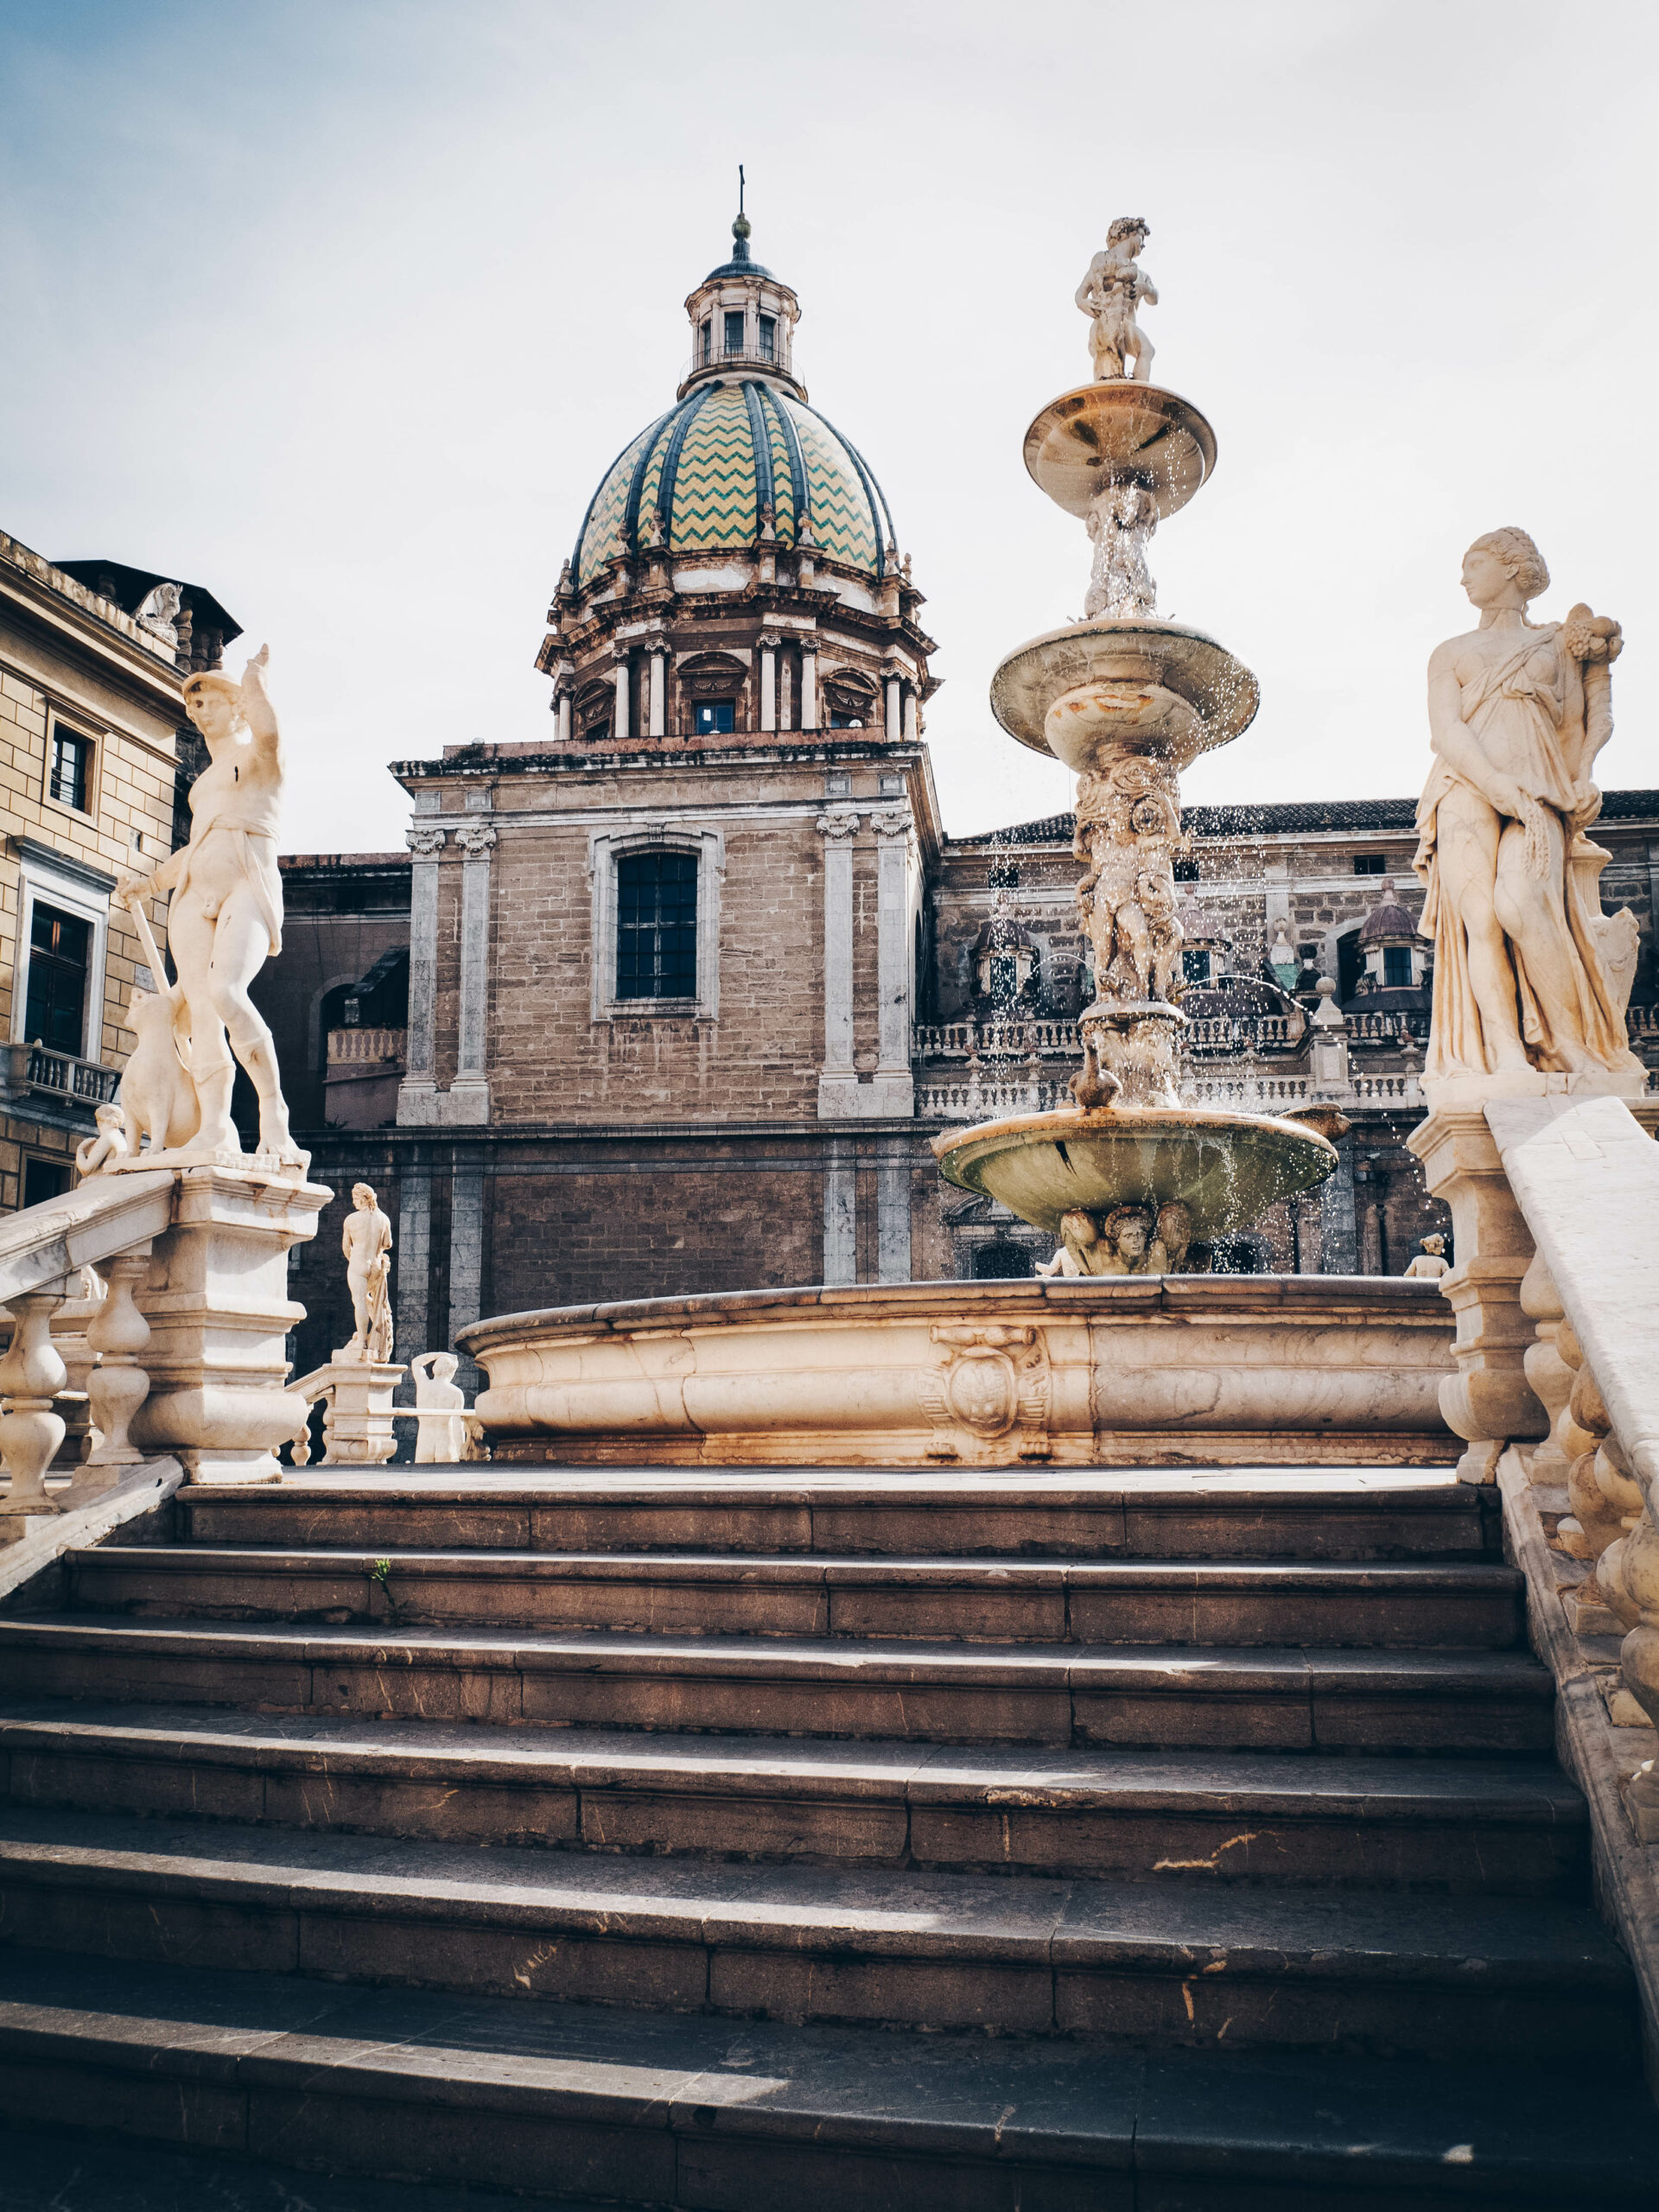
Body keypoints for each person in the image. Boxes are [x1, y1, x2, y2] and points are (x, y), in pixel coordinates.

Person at [1414, 531, 1642, 1086]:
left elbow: (1580, 722)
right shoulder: (1450, 652)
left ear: (1515, 569)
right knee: (1482, 923)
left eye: (1476, 563)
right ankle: (1505, 1053)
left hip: (1540, 789)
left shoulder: (1557, 646)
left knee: (1521, 905)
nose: (1464, 577)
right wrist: (1495, 784)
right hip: (1465, 787)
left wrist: (1583, 777)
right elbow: (1447, 730)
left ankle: (1570, 1045)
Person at [113, 646, 298, 1161]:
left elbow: (270, 732)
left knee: (225, 990)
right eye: (193, 706)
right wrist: (149, 882)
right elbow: (193, 849)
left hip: (247, 884)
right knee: (199, 1012)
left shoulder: (262, 759)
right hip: (193, 892)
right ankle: (214, 1129)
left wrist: (255, 680)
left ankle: (273, 1114)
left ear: (236, 705)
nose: (198, 712)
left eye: (208, 700)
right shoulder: (202, 787)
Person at [342, 1182, 394, 1361]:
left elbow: (346, 1248)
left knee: (359, 1302)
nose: (354, 1202)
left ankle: (361, 1342)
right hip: (377, 1265)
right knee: (370, 1300)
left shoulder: (351, 1219)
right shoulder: (384, 1219)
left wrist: (356, 1261)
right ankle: (377, 1331)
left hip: (358, 1263)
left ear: (362, 1198)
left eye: (355, 1198)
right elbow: (388, 1244)